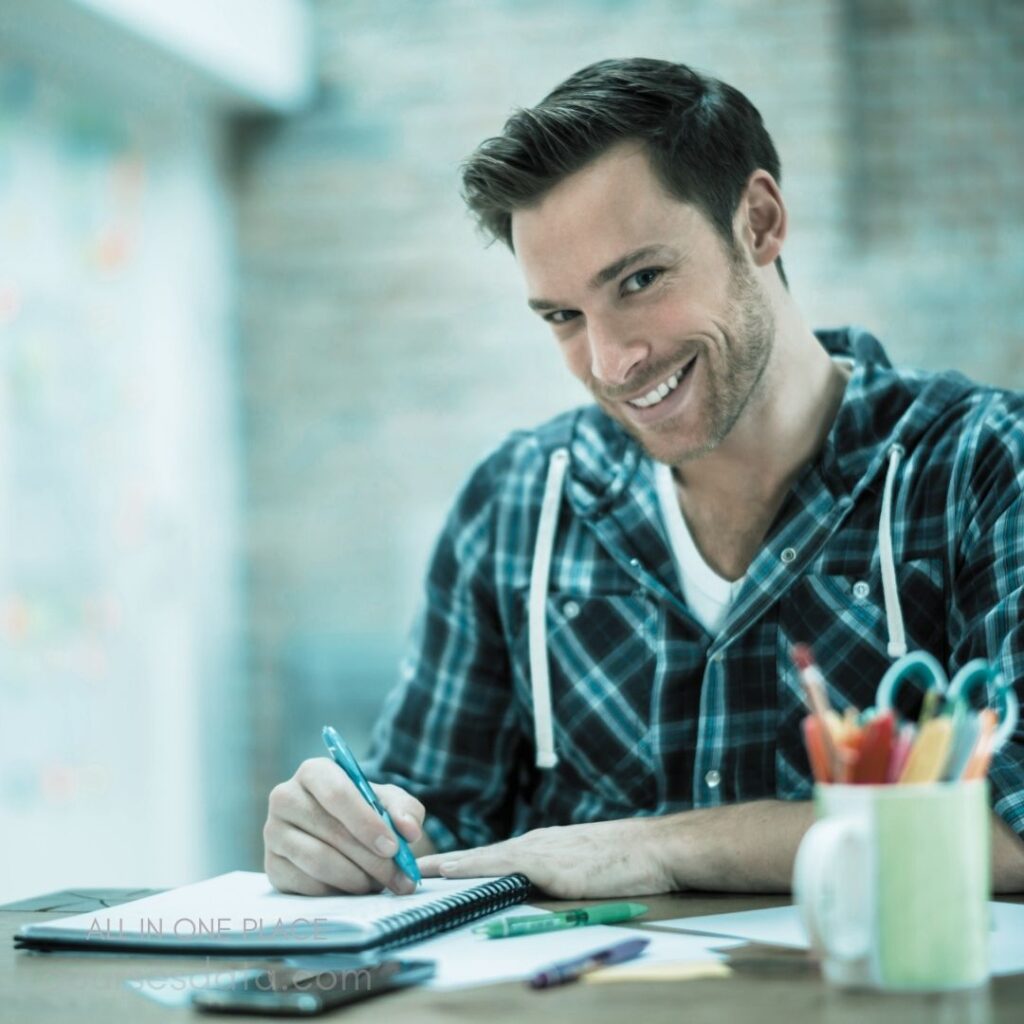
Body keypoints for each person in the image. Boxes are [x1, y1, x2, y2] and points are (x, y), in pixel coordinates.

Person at [263, 58, 1024, 899]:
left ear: (761, 222)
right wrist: (346, 840)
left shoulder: (982, 466)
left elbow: (1018, 825)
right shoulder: (516, 503)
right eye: (562, 316)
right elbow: (437, 831)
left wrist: (663, 848)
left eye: (639, 281)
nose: (611, 360)